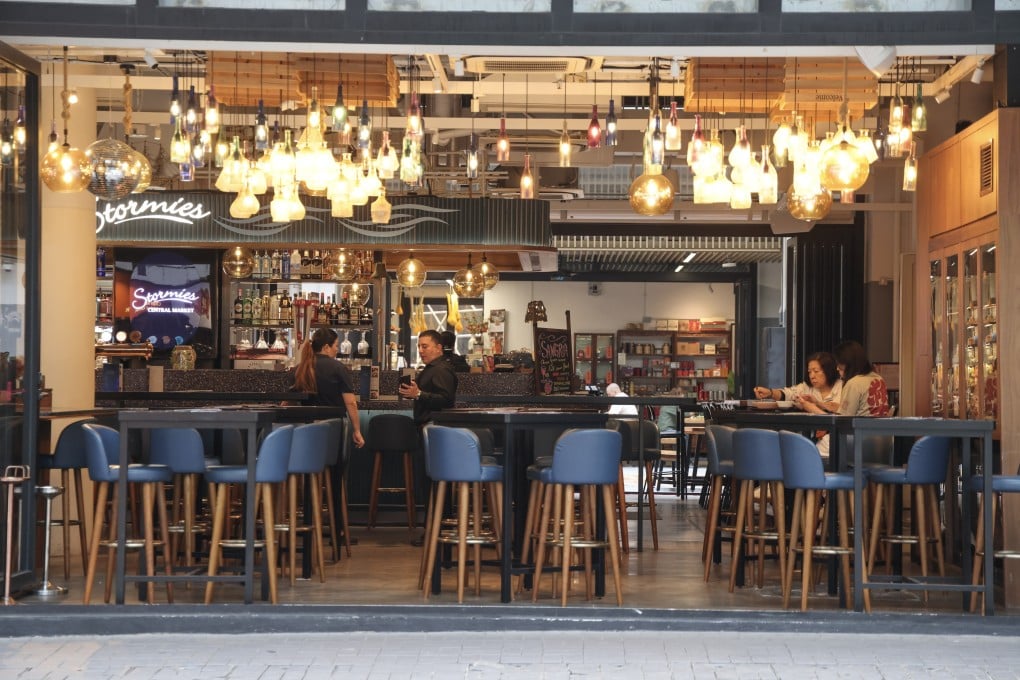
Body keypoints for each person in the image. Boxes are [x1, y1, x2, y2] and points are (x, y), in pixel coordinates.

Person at [754, 352, 844, 454]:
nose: (812, 376)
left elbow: (840, 410)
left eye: (816, 371)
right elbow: (788, 393)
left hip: (834, 438)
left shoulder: (842, 387)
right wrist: (770, 392)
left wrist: (814, 405)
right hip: (811, 436)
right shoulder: (807, 387)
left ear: (828, 371)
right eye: (809, 372)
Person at [290, 327, 365, 448]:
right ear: (326, 347)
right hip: (333, 427)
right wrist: (357, 430)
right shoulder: (338, 368)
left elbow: (289, 401)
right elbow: (351, 403)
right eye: (336, 346)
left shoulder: (300, 368)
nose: (337, 350)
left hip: (307, 429)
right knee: (331, 462)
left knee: (314, 462)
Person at [399, 329, 458, 426]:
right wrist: (411, 392)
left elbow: (446, 400)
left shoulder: (441, 369)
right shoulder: (432, 367)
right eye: (419, 347)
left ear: (438, 348)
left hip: (435, 427)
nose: (420, 350)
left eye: (424, 347)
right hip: (429, 426)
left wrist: (418, 394)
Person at [833, 340, 890, 417]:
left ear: (848, 363)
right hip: (880, 427)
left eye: (839, 364)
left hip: (861, 427)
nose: (837, 368)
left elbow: (844, 418)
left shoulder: (854, 383)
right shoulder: (879, 378)